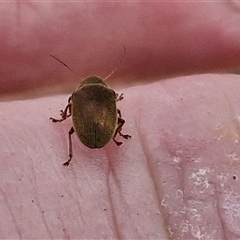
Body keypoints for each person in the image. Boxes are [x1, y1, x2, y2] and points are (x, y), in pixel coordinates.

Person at [1, 2, 240, 239]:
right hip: (104, 131)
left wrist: (63, 118)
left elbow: (71, 109)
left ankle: (73, 155)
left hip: (87, 131)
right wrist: (116, 132)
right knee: (116, 120)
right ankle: (116, 137)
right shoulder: (107, 94)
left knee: (75, 130)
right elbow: (117, 115)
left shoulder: (78, 96)